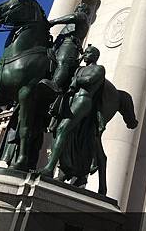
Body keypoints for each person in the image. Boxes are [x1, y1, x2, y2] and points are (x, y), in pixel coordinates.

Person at [36, 45, 105, 180]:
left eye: (88, 53)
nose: (85, 55)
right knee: (58, 130)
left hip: (84, 100)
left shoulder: (98, 69)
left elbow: (89, 80)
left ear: (95, 56)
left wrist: (75, 79)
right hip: (72, 99)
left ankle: (49, 168)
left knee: (62, 129)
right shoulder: (80, 69)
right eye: (84, 53)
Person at [42, 2, 90, 94]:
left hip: (70, 44)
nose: (78, 9)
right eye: (78, 7)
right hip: (59, 43)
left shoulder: (83, 17)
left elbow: (72, 17)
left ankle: (55, 84)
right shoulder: (74, 22)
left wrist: (53, 21)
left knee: (62, 62)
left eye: (81, 8)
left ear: (85, 11)